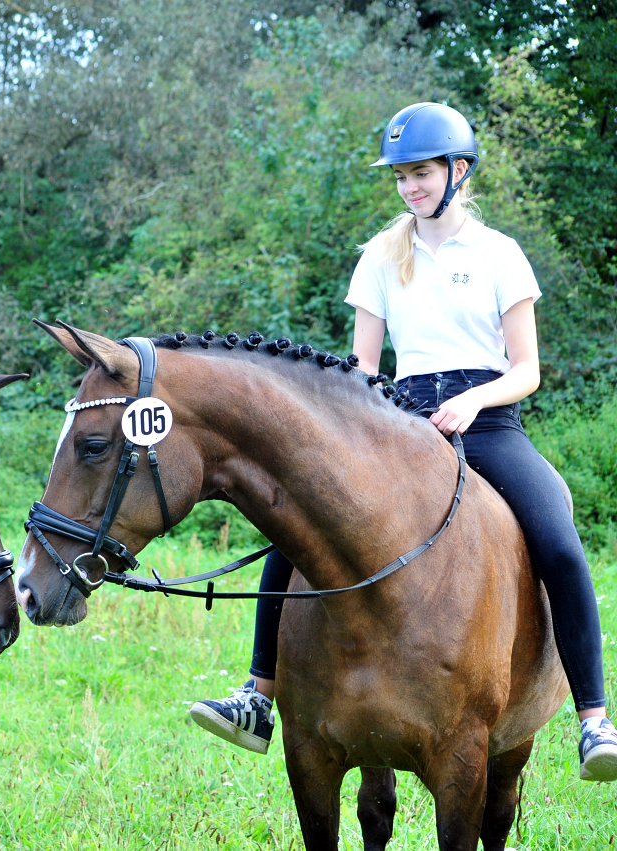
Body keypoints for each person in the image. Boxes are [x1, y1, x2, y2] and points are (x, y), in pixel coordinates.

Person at [188, 102, 617, 783]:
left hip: (488, 421)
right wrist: (363, 421)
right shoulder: (380, 257)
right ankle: (256, 696)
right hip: (402, 418)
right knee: (294, 530)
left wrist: (474, 399)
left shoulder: (500, 254)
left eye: (421, 173)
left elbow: (527, 370)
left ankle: (594, 719)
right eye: (400, 177)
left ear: (458, 170)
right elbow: (363, 366)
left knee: (560, 542)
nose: (409, 187)